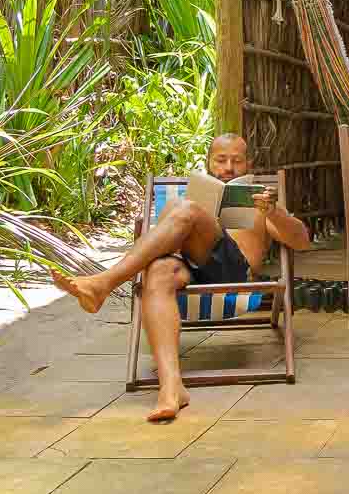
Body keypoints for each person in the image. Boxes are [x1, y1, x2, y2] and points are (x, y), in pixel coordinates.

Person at [52, 133, 311, 421]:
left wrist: (274, 213)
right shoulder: (194, 195)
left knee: (183, 209)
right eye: (221, 160)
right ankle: (171, 388)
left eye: (237, 161)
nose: (228, 167)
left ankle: (104, 283)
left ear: (248, 163)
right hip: (189, 268)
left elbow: (301, 241)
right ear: (207, 162)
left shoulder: (260, 199)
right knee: (160, 270)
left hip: (232, 274)